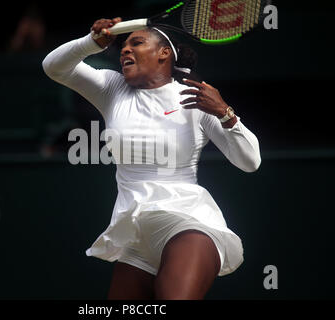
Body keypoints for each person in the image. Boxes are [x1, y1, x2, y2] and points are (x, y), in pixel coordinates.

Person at [42, 18, 261, 300]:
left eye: (137, 42)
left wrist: (225, 113)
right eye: (123, 45)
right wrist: (90, 43)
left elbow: (250, 162)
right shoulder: (112, 88)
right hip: (136, 236)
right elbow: (53, 67)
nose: (125, 50)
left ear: (164, 53)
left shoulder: (194, 97)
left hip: (187, 224)